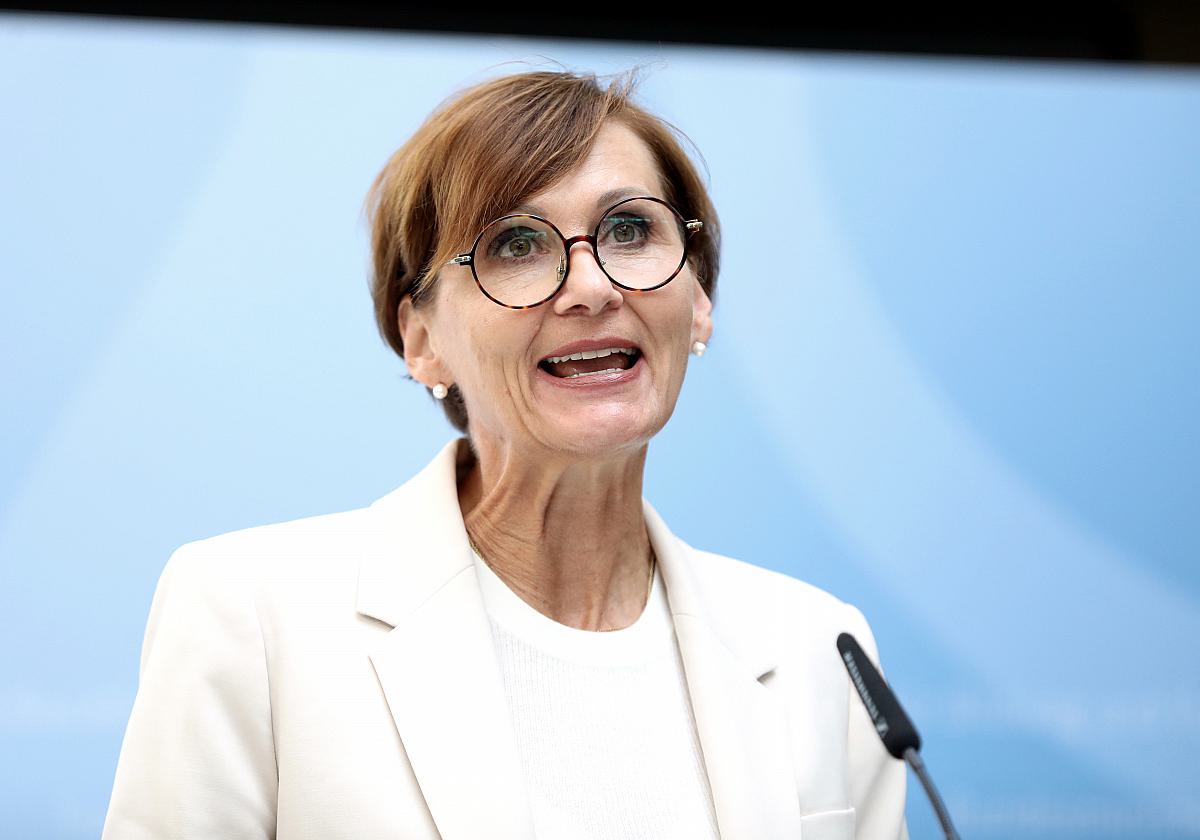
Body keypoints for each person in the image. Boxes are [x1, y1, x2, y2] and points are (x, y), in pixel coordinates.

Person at [102, 66, 908, 840]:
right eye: (516, 244)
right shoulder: (250, 616)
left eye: (630, 231)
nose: (591, 287)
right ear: (422, 342)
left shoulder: (819, 649)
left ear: (697, 299)